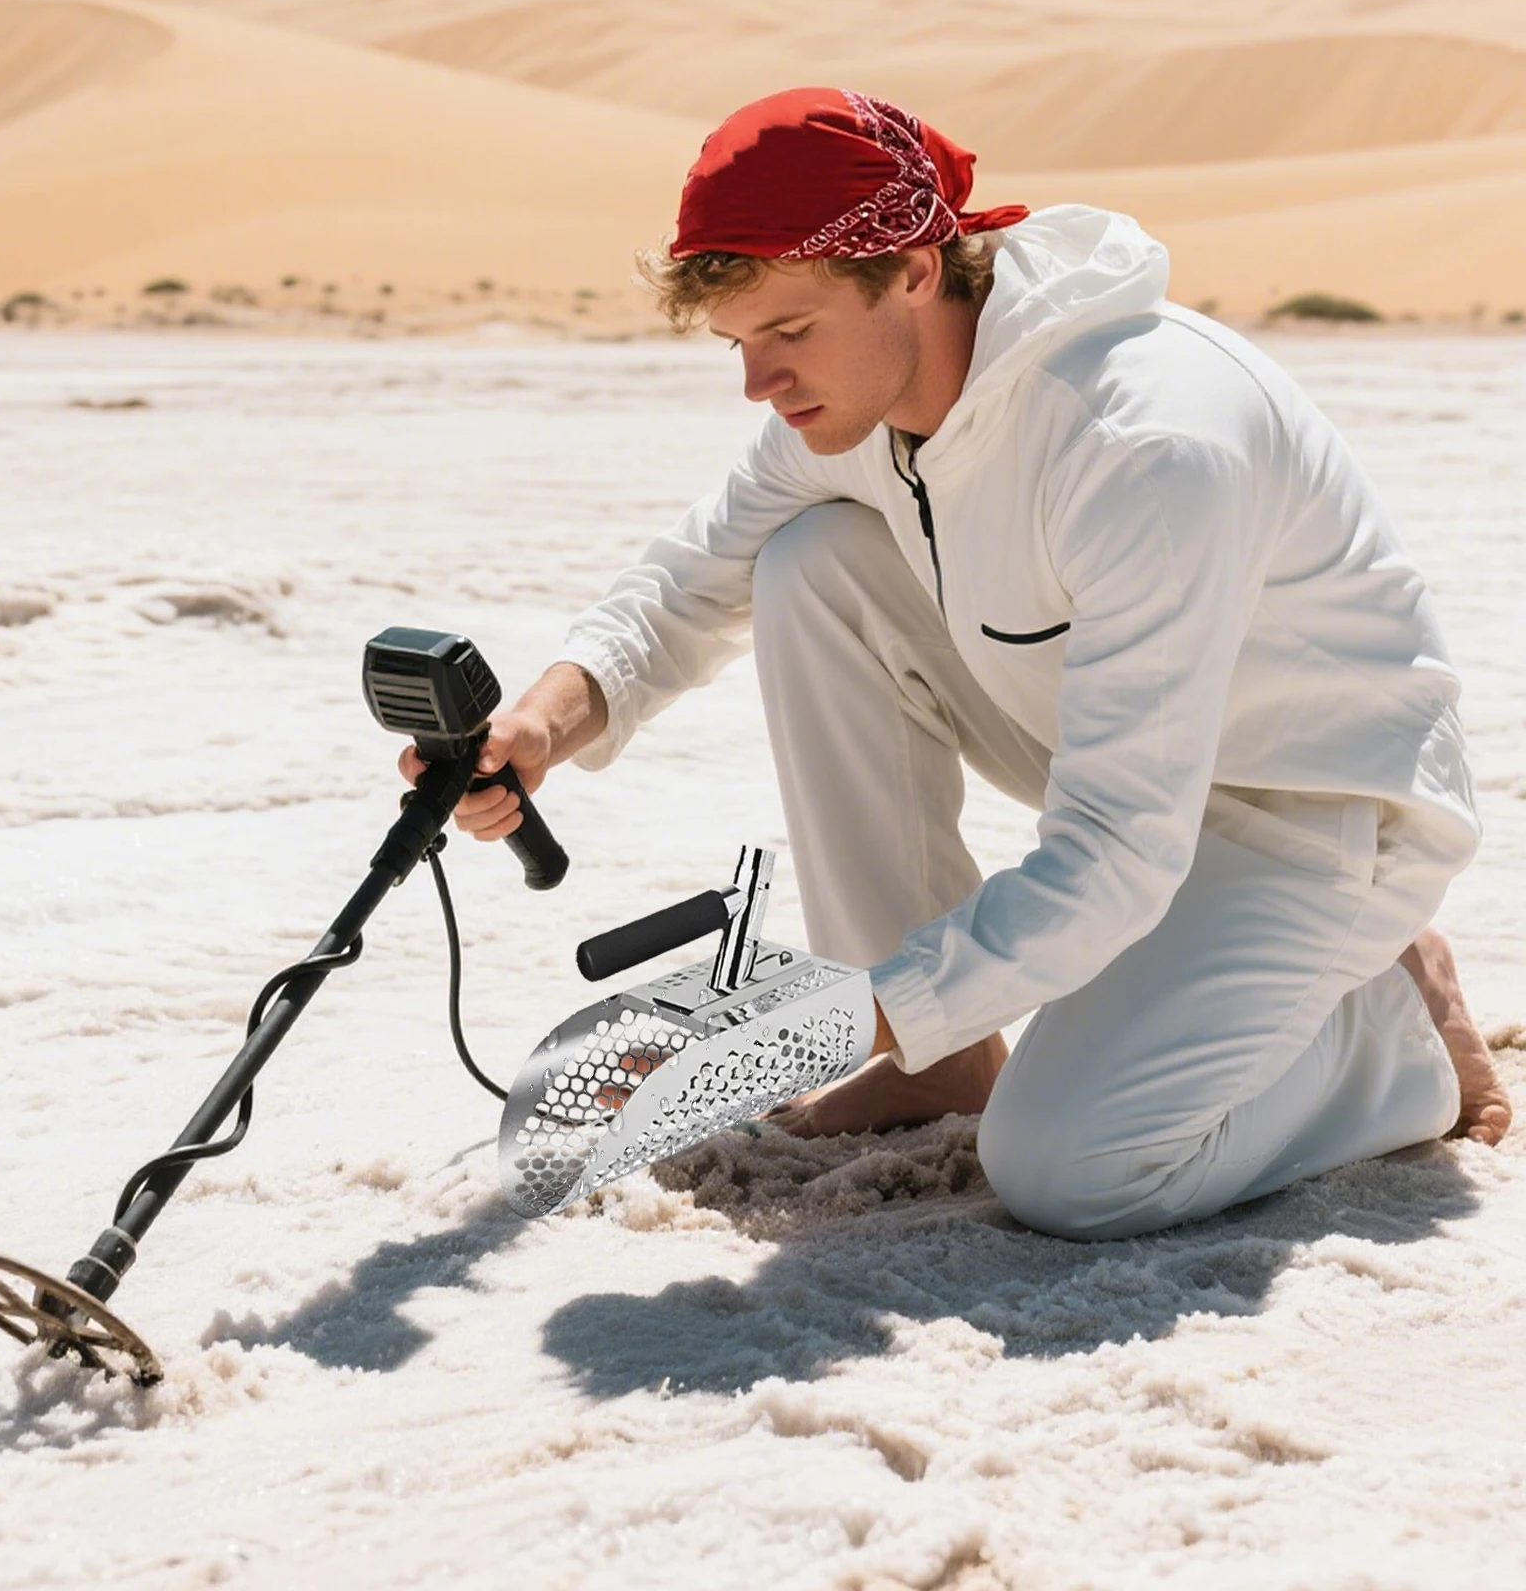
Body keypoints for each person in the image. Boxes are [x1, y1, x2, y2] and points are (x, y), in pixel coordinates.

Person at [401, 87, 1511, 1239]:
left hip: (1310, 814)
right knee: (813, 562)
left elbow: (1115, 857)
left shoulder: (1142, 444)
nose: (759, 385)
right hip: (1117, 757)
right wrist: (538, 724)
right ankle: (939, 1063)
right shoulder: (862, 401)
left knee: (1072, 1169)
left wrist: (817, 1023)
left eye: (788, 333)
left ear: (917, 269)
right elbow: (693, 576)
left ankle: (1389, 1036)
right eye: (740, 345)